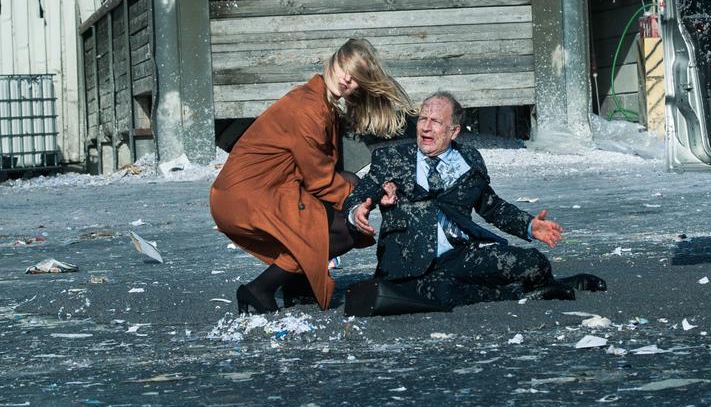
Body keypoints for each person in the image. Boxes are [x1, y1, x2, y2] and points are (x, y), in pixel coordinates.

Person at [342, 91, 606, 310]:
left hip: (460, 255)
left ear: (454, 131)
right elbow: (359, 195)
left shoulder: (469, 160)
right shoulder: (393, 158)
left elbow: (492, 207)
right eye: (422, 119)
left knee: (533, 263)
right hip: (409, 265)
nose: (425, 127)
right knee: (440, 291)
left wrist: (529, 225)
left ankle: (557, 283)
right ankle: (521, 294)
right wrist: (357, 212)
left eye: (435, 121)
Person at [209, 38, 412, 314]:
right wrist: (363, 200)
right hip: (247, 196)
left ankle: (297, 283)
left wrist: (358, 192)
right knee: (345, 230)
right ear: (332, 61)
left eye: (356, 78)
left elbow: (324, 174)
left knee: (347, 190)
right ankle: (259, 289)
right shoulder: (310, 108)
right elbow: (320, 182)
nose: (347, 79)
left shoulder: (321, 102)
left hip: (258, 190)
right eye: (344, 68)